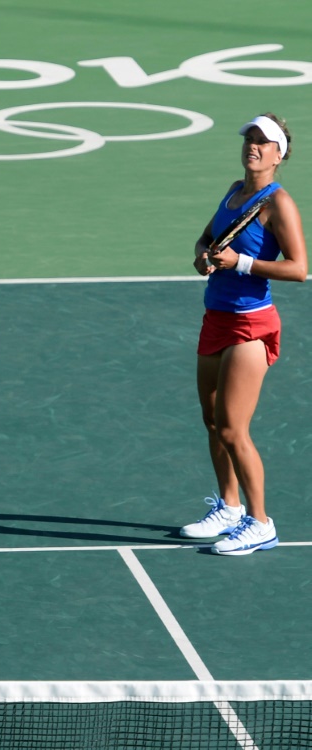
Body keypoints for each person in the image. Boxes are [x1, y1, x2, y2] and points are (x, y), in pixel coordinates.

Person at [180, 113, 307, 555]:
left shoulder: (279, 203)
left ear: (280, 154)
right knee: (212, 421)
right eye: (249, 140)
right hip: (215, 316)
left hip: (250, 324)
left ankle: (261, 523)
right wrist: (204, 258)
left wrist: (242, 263)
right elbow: (205, 239)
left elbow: (299, 269)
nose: (253, 147)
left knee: (234, 429)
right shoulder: (235, 192)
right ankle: (230, 508)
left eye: (263, 142)